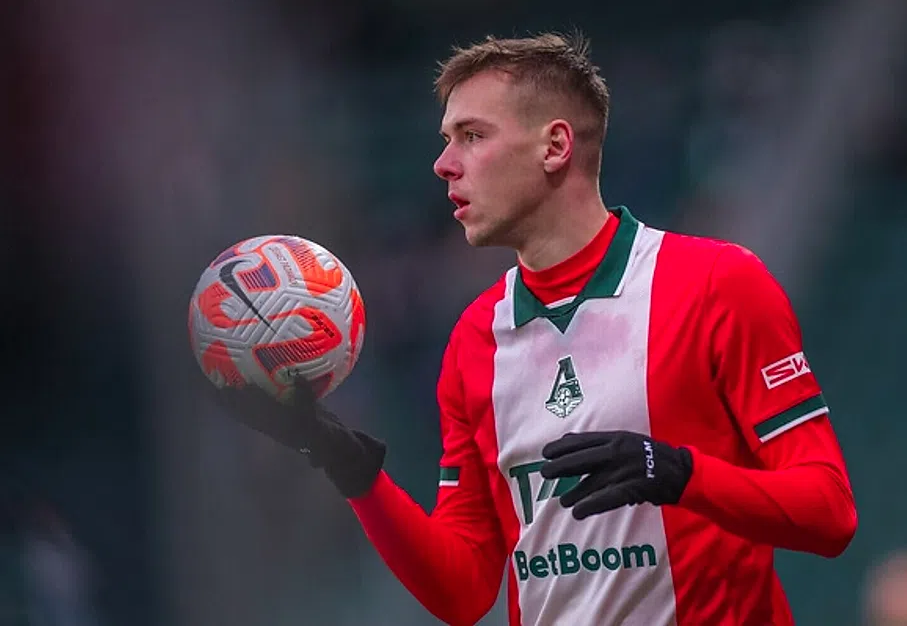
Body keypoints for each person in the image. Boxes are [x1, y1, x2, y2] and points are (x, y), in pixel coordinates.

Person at [213, 31, 857, 626]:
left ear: (555, 147)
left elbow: (829, 512)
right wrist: (354, 473)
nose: (443, 164)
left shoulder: (717, 284)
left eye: (472, 136)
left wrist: (679, 473)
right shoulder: (474, 339)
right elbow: (465, 591)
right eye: (446, 139)